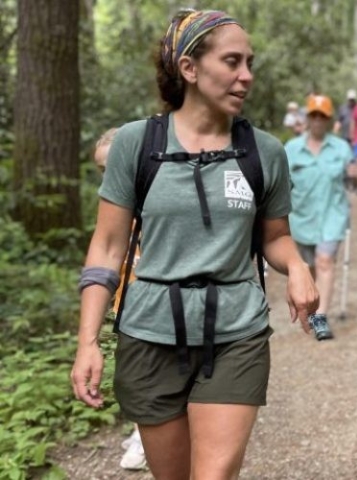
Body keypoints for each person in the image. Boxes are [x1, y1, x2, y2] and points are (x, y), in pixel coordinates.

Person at [71, 10, 319, 479]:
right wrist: (88, 342)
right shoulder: (135, 144)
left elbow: (276, 236)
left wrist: (299, 268)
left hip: (235, 331)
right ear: (189, 68)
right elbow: (106, 248)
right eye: (232, 61)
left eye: (249, 62)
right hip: (148, 331)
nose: (246, 75)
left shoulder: (263, 151)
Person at [93, 128, 147, 471]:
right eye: (102, 170)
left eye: (113, 167)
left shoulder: (151, 198)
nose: (107, 177)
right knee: (129, 372)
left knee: (146, 375)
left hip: (154, 304)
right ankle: (141, 427)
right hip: (126, 303)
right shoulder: (114, 207)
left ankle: (145, 436)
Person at [285, 95, 354, 341]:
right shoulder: (291, 149)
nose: (317, 120)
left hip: (331, 215)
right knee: (309, 267)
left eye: (321, 116)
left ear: (328, 120)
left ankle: (320, 317)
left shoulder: (341, 149)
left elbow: (351, 177)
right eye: (313, 115)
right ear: (306, 118)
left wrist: (355, 173)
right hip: (301, 218)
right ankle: (313, 307)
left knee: (324, 261)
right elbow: (281, 185)